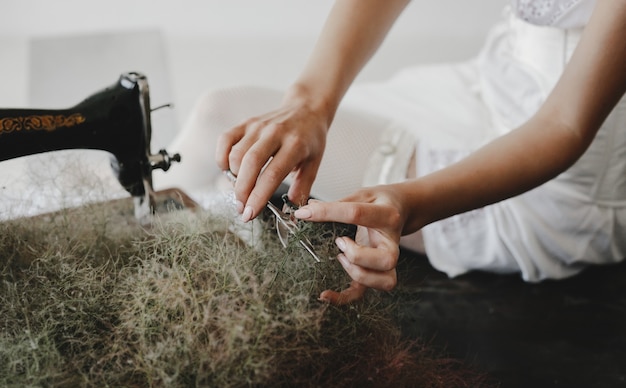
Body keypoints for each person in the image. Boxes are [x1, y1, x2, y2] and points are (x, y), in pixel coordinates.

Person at [162, 0, 626, 304]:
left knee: (219, 122)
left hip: (555, 173)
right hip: (488, 81)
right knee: (239, 138)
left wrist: (412, 203)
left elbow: (564, 124)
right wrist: (310, 102)